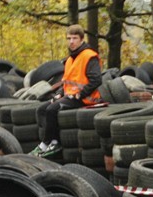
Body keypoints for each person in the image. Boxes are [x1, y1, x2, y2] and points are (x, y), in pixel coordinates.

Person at [30, 24, 103, 158]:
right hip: (69, 95)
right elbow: (67, 82)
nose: (71, 41)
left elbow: (96, 80)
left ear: (81, 39)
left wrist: (80, 94)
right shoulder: (69, 59)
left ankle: (51, 143)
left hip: (86, 98)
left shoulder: (89, 56)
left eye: (74, 38)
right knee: (41, 109)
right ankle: (50, 141)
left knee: (52, 110)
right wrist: (59, 94)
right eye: (69, 38)